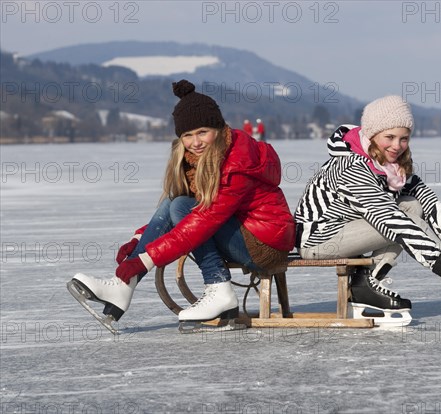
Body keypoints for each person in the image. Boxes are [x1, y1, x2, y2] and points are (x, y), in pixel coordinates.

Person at [69, 80, 295, 330]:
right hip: (241, 232)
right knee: (175, 202)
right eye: (187, 135)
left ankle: (218, 289)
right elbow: (177, 213)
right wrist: (140, 239)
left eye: (202, 132)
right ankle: (123, 286)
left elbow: (204, 221)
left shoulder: (236, 163)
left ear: (218, 129)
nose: (195, 142)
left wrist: (144, 260)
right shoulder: (199, 158)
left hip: (264, 244)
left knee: (182, 208)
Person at [294, 95, 441, 327]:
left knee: (412, 205)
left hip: (348, 228)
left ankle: (365, 283)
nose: (397, 146)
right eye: (389, 137)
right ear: (371, 135)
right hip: (318, 240)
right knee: (400, 218)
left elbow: (426, 199)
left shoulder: (389, 166)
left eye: (403, 138)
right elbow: (388, 217)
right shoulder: (350, 166)